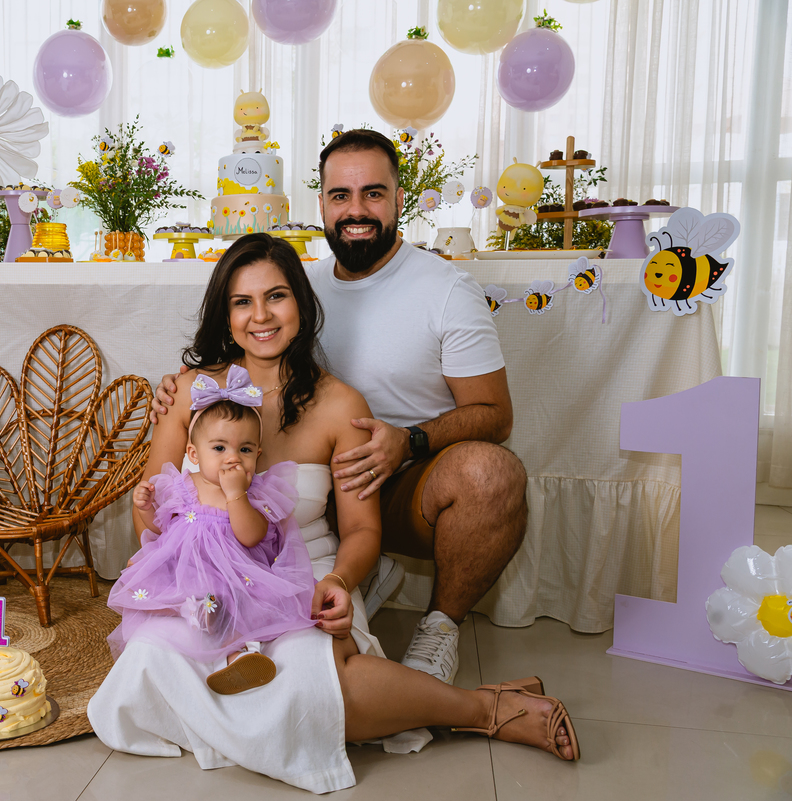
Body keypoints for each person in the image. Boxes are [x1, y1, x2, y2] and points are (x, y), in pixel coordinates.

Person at [87, 234, 576, 794]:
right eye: (242, 302)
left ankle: (484, 710)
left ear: (301, 301)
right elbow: (154, 519)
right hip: (206, 576)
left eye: (276, 296)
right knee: (147, 666)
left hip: (305, 570)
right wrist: (144, 509)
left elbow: (364, 528)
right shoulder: (192, 394)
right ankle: (417, 702)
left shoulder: (341, 405)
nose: (261, 316)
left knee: (314, 684)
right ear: (225, 314)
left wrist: (342, 582)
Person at [152, 129, 528, 685]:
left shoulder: (447, 290)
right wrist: (188, 390)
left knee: (490, 473)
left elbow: (495, 415)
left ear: (400, 198)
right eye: (340, 196)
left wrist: (409, 439)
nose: (357, 210)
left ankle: (440, 628)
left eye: (373, 193)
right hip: (292, 488)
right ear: (322, 204)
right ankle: (342, 578)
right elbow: (246, 334)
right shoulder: (302, 282)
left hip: (399, 480)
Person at [108, 367, 317, 694]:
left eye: (245, 450)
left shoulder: (255, 494)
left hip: (232, 573)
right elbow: (159, 528)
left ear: (257, 456)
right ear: (193, 454)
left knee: (229, 605)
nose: (232, 458)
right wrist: (146, 506)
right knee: (169, 592)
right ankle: (193, 621)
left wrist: (237, 495)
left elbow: (252, 536)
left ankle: (240, 659)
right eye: (219, 448)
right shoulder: (182, 486)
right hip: (186, 566)